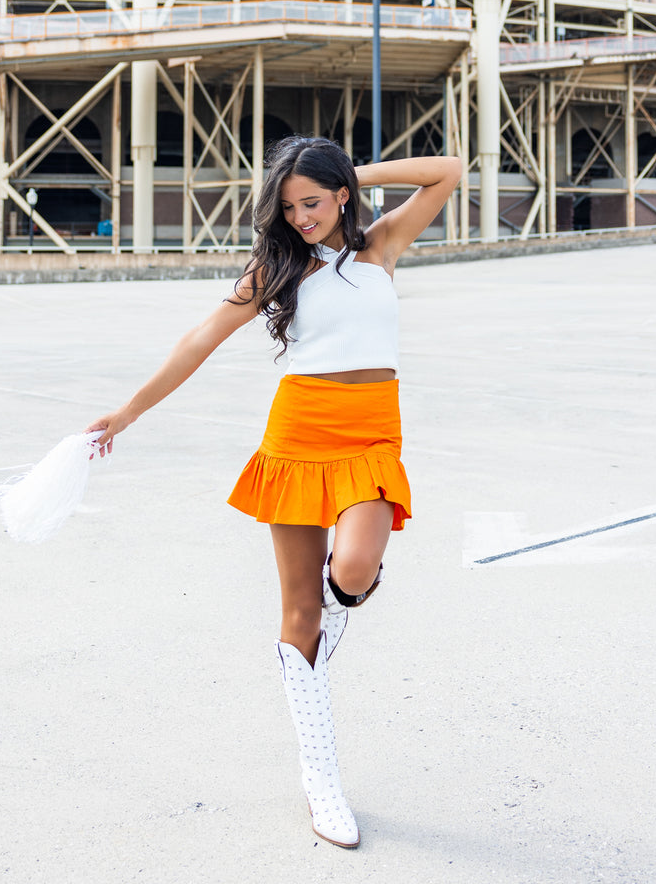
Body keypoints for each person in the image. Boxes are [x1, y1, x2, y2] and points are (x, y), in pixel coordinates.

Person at [86, 136, 462, 848]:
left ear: (343, 194)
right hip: (298, 433)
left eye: (313, 202)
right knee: (300, 615)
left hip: (372, 435)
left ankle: (326, 616)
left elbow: (448, 172)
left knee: (351, 572)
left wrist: (352, 169)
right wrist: (129, 411)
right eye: (288, 207)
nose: (300, 218)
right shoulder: (278, 266)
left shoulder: (380, 247)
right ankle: (321, 778)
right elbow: (202, 337)